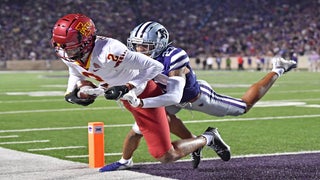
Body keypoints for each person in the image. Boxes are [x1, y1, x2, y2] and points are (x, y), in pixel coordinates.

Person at [99, 21, 297, 171]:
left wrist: (140, 101)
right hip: (163, 98)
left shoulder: (174, 56)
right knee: (139, 129)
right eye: (136, 45)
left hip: (193, 97)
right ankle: (125, 161)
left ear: (159, 44)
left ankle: (277, 69)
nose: (139, 50)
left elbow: (174, 95)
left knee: (243, 107)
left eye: (145, 46)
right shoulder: (135, 58)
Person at [51, 14, 227, 170]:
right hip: (126, 96)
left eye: (71, 47)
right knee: (139, 130)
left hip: (144, 94)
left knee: (165, 155)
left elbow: (155, 66)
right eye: (62, 46)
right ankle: (125, 161)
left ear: (87, 42)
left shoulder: (111, 51)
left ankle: (207, 138)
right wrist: (71, 92)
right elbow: (74, 70)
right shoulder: (69, 52)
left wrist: (128, 86)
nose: (65, 52)